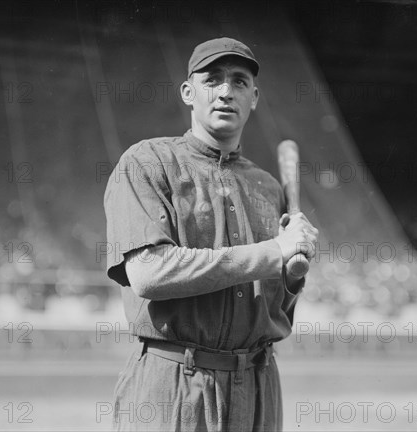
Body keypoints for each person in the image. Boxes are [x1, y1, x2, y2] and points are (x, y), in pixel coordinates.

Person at [104, 37, 319, 432]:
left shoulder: (269, 188)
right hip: (174, 386)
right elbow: (150, 274)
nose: (225, 91)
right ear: (188, 92)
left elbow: (276, 312)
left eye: (239, 82)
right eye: (212, 79)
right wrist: (274, 251)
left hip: (257, 386)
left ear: (254, 98)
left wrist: (292, 272)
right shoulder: (147, 163)